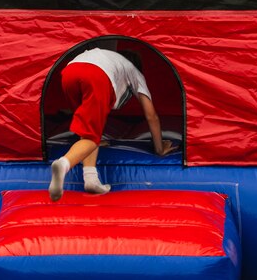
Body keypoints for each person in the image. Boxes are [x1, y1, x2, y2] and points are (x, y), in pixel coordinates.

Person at [48, 46, 175, 201]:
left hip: (69, 72)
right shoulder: (133, 71)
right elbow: (151, 116)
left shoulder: (107, 57)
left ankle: (91, 179)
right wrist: (159, 148)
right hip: (96, 76)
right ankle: (63, 164)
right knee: (90, 136)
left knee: (90, 130)